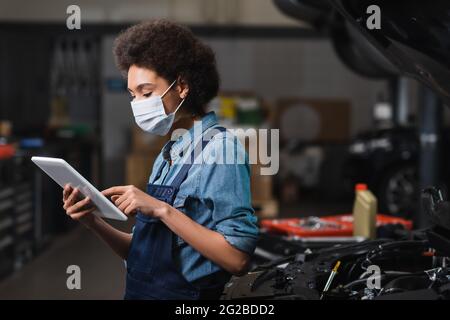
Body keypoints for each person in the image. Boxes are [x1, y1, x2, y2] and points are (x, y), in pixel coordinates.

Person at [62, 20, 259, 300]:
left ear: (182, 86)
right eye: (133, 95)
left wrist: (161, 209)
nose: (139, 104)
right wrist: (93, 222)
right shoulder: (171, 153)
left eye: (146, 92)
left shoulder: (221, 150)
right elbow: (142, 253)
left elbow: (237, 259)